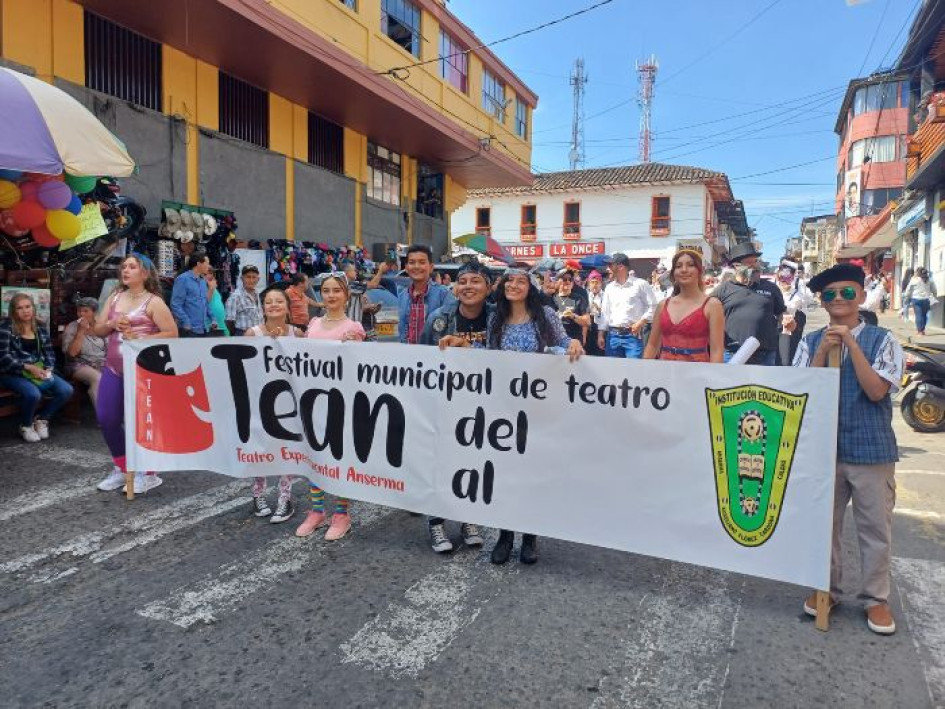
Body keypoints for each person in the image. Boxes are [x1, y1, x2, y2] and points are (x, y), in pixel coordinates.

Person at [794, 263, 903, 636]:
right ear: (822, 303)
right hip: (824, 450)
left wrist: (853, 345)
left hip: (871, 448)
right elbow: (804, 391)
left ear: (860, 296)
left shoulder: (883, 339)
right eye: (829, 295)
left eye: (846, 293)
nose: (838, 299)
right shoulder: (810, 341)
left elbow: (876, 391)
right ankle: (828, 589)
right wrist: (824, 350)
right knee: (824, 527)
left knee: (874, 529)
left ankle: (876, 599)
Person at [488, 269, 583, 566]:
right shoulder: (496, 318)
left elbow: (562, 343)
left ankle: (529, 537)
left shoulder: (545, 313)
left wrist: (573, 345)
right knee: (506, 474)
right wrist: (462, 347)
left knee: (531, 473)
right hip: (504, 408)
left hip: (538, 408)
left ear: (531, 288)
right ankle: (505, 535)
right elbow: (488, 356)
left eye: (521, 282)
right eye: (509, 281)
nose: (514, 286)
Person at [420, 261, 494, 553]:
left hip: (483, 406)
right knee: (439, 462)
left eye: (476, 281)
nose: (468, 287)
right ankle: (436, 523)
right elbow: (421, 359)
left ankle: (467, 519)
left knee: (473, 464)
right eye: (462, 281)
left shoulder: (498, 318)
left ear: (488, 287)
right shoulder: (439, 318)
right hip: (444, 403)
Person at [92, 254, 178, 493]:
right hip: (113, 367)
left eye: (132, 266)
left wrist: (140, 338)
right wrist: (111, 324)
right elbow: (98, 329)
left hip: (144, 371)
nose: (126, 270)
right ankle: (122, 468)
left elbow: (172, 333)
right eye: (124, 267)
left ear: (145, 273)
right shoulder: (115, 296)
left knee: (143, 424)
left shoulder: (154, 302)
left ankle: (149, 473)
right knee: (107, 418)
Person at [296, 272, 365, 540]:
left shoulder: (353, 328)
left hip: (342, 402)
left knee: (339, 456)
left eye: (337, 290)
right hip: (313, 401)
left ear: (346, 295)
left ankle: (341, 513)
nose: (331, 295)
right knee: (315, 456)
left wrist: (354, 346)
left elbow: (361, 366)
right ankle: (316, 510)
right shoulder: (313, 324)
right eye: (326, 290)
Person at [245, 286, 300, 524]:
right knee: (260, 449)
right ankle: (258, 494)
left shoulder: (299, 334)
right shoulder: (251, 333)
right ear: (263, 307)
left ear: (287, 306)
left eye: (279, 301)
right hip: (258, 401)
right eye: (269, 302)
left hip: (289, 403)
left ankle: (285, 497)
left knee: (287, 450)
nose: (274, 305)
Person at [0, 293, 74, 443]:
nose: (25, 311)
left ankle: (42, 419)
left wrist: (49, 369)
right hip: (13, 372)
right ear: (13, 311)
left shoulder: (39, 328)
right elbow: (3, 357)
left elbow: (49, 353)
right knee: (33, 394)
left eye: (27, 307)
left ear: (33, 308)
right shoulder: (6, 328)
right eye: (19, 308)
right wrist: (27, 367)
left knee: (66, 390)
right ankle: (26, 425)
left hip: (38, 370)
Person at [643, 249, 724, 363]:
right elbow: (652, 345)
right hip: (665, 373)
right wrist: (645, 373)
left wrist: (714, 379)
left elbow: (717, 350)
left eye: (690, 265)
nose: (684, 270)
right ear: (673, 273)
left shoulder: (712, 305)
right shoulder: (663, 305)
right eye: (678, 266)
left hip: (697, 374)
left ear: (700, 271)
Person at [712, 242, 786, 365]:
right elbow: (708, 313)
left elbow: (781, 312)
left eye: (755, 261)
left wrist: (786, 319)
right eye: (749, 263)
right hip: (732, 354)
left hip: (765, 354)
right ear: (736, 266)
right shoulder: (723, 290)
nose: (755, 266)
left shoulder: (771, 287)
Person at [378, 244, 453, 345]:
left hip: (435, 358)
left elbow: (453, 330)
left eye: (422, 262)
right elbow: (387, 336)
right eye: (412, 262)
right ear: (407, 268)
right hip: (404, 359)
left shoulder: (444, 295)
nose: (416, 266)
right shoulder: (399, 296)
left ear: (431, 267)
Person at [596, 253, 655, 359]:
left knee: (633, 372)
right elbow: (605, 313)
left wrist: (640, 322)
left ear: (621, 267)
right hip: (612, 336)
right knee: (612, 371)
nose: (608, 269)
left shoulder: (641, 284)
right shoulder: (609, 287)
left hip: (633, 336)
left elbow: (653, 307)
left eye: (610, 265)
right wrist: (600, 334)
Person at [61, 297, 107, 407]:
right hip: (78, 364)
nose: (81, 314)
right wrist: (81, 331)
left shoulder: (101, 326)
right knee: (98, 379)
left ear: (94, 312)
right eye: (79, 311)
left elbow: (109, 349)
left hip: (101, 362)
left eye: (86, 311)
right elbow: (72, 354)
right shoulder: (72, 327)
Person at [777, 259, 814, 366]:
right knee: (777, 350)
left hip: (793, 318)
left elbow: (808, 299)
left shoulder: (800, 283)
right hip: (776, 320)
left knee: (789, 349)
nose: (784, 278)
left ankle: (789, 368)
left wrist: (791, 293)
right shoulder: (774, 282)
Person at [171, 252, 216, 337]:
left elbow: (205, 302)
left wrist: (213, 318)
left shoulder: (202, 280)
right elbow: (175, 304)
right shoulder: (182, 279)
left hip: (203, 329)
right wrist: (186, 321)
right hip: (189, 330)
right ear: (198, 264)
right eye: (207, 263)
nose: (209, 266)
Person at [342, 262, 382, 341]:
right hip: (354, 331)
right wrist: (381, 271)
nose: (356, 272)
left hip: (364, 330)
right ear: (347, 273)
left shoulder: (356, 288)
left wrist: (372, 308)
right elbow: (374, 284)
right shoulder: (351, 286)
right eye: (354, 270)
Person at [554, 268, 591, 347]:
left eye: (570, 279)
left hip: (574, 341)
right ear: (558, 281)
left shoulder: (579, 298)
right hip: (555, 341)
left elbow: (587, 322)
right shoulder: (551, 298)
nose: (568, 282)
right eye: (564, 279)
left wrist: (573, 316)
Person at [224, 265, 263, 336]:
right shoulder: (235, 296)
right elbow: (229, 321)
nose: (251, 280)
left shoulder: (258, 294)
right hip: (242, 335)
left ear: (258, 279)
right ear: (242, 278)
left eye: (254, 277)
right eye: (248, 277)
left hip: (258, 335)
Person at [903, 267, 938, 336]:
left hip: (916, 299)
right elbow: (934, 290)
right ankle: (922, 329)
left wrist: (907, 297)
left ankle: (920, 331)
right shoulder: (930, 280)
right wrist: (934, 296)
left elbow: (908, 289)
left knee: (918, 315)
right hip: (926, 300)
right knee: (924, 315)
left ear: (918, 272)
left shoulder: (914, 280)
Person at [585, 270, 605, 356]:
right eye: (592, 282)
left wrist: (599, 309)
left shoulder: (605, 295)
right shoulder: (585, 295)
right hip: (588, 327)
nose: (594, 285)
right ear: (589, 284)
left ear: (601, 284)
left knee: (600, 352)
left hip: (600, 327)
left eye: (597, 282)